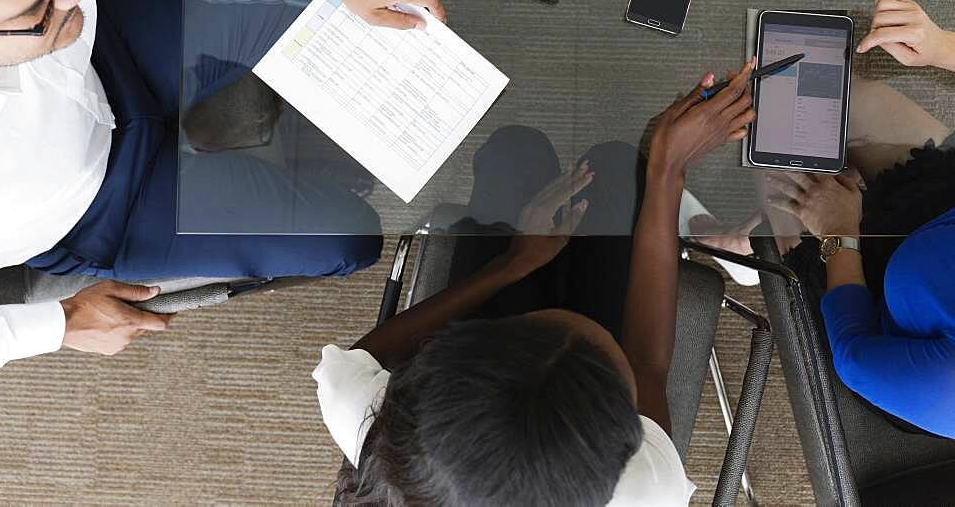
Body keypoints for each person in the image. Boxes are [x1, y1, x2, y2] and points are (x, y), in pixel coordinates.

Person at [0, 0, 444, 386]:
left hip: (106, 52)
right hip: (94, 212)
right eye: (34, 4)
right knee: (352, 240)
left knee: (351, 12)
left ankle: (213, 130)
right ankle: (215, 142)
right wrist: (56, 324)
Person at [313, 61, 756, 506]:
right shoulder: (645, 492)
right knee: (618, 166)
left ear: (434, 354)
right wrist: (666, 171)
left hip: (488, 348)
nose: (565, 319)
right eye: (598, 348)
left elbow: (359, 362)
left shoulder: (362, 413)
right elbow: (645, 363)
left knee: (515, 150)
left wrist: (512, 264)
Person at [765, 0, 955, 439]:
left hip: (877, 313)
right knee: (828, 91)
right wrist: (939, 44)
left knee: (771, 140)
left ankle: (757, 250)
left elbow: (853, 358)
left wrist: (839, 233)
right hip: (941, 209)